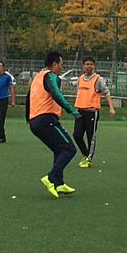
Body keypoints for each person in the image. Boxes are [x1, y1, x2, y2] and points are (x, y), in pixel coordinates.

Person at [25, 51, 81, 198]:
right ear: (54, 64)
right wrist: (71, 110)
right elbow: (56, 94)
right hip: (46, 119)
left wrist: (27, 116)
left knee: (59, 149)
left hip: (35, 121)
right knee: (69, 149)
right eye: (61, 65)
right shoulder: (51, 76)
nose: (62, 68)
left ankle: (58, 183)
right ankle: (51, 177)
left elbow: (28, 97)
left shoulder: (37, 77)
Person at [73, 56, 116, 168]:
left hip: (92, 111)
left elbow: (106, 93)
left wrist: (111, 107)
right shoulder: (80, 79)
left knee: (90, 136)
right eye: (87, 64)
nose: (89, 66)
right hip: (80, 111)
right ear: (83, 66)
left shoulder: (98, 79)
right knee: (77, 135)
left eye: (91, 64)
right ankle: (85, 153)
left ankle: (88, 159)